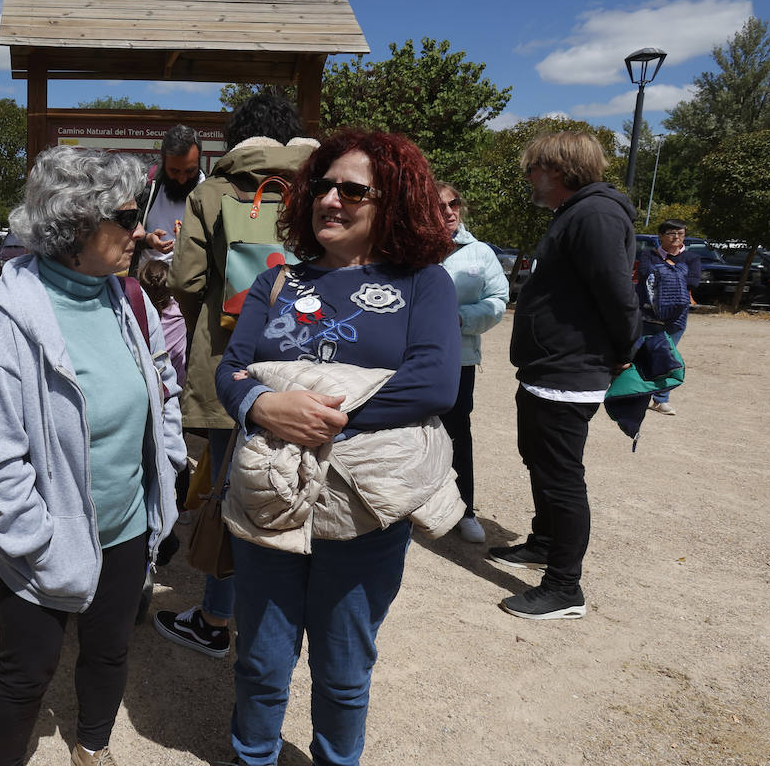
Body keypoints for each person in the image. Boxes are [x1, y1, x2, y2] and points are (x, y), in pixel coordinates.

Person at [213, 129, 459, 766]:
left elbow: (433, 383)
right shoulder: (278, 282)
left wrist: (322, 419)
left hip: (362, 511)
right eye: (322, 185)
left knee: (344, 665)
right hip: (270, 498)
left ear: (393, 202)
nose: (331, 199)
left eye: (354, 190)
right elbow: (232, 368)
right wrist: (265, 406)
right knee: (261, 660)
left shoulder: (423, 284)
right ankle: (253, 757)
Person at [0, 145, 183, 766]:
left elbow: (160, 385)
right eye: (127, 215)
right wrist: (34, 541)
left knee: (110, 653)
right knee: (25, 675)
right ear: (78, 223)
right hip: (47, 543)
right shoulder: (11, 320)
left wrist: (169, 466)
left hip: (127, 530)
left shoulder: (125, 297)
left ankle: (93, 746)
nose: (140, 230)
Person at [156, 90, 317, 657]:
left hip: (235, 363)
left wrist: (221, 325)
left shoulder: (213, 192)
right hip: (312, 360)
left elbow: (187, 281)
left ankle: (217, 616)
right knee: (308, 480)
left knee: (231, 488)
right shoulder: (326, 187)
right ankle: (287, 613)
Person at [490, 131, 638, 621]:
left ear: (556, 169)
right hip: (549, 367)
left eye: (533, 168)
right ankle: (544, 542)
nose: (528, 176)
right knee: (538, 460)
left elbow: (616, 293)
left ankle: (563, 588)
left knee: (561, 476)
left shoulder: (595, 214)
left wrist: (624, 351)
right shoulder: (577, 213)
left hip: (569, 370)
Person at [437, 182, 508, 543]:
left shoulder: (479, 253)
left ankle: (465, 509)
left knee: (456, 433)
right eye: (440, 206)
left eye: (454, 204)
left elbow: (498, 300)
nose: (450, 211)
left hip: (459, 358)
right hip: (407, 356)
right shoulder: (408, 249)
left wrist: (461, 318)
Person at [636, 219, 700, 415]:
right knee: (640, 355)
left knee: (666, 357)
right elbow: (644, 273)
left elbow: (694, 281)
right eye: (672, 233)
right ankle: (637, 395)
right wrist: (675, 272)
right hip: (647, 316)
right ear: (661, 236)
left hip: (675, 319)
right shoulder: (648, 255)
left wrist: (662, 273)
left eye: (681, 234)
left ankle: (661, 400)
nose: (677, 237)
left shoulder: (692, 258)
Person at [136, 123, 203, 264]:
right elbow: (126, 232)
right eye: (174, 171)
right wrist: (147, 239)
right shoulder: (146, 185)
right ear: (163, 162)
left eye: (190, 171)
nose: (182, 179)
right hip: (145, 281)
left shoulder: (210, 192)